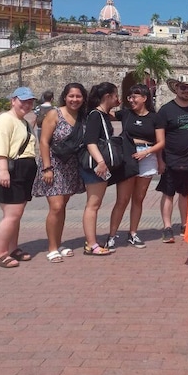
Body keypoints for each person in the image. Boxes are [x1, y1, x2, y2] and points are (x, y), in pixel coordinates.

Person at [32, 83, 87, 263]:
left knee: (62, 206)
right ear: (65, 97)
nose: (74, 100)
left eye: (78, 96)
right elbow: (44, 142)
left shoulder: (83, 116)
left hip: (71, 166)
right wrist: (47, 168)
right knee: (55, 207)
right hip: (54, 165)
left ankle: (58, 242)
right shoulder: (54, 114)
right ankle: (52, 248)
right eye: (71, 96)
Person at [0, 86, 39, 268]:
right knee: (12, 214)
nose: (27, 104)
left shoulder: (23, 122)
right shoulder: (4, 120)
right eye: (23, 101)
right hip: (10, 170)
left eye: (30, 101)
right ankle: (1, 253)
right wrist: (3, 171)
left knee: (16, 214)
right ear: (13, 100)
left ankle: (13, 248)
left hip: (23, 170)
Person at [105, 84, 159, 251]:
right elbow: (105, 112)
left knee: (139, 198)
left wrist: (149, 153)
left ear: (145, 98)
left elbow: (160, 141)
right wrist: (114, 102)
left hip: (148, 156)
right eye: (129, 97)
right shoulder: (126, 114)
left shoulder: (155, 118)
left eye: (135, 96)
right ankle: (112, 235)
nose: (132, 100)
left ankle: (133, 233)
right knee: (122, 199)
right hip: (128, 157)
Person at [156, 78, 188, 243]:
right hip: (171, 159)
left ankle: (185, 224)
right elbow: (159, 139)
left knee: (187, 193)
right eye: (183, 88)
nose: (186, 91)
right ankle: (167, 227)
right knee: (168, 194)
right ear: (176, 88)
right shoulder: (166, 110)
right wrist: (160, 161)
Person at [80, 82, 121, 256]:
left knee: (94, 204)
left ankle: (91, 242)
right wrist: (101, 162)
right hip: (96, 166)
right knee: (93, 205)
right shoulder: (96, 115)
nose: (117, 99)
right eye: (115, 95)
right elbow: (90, 141)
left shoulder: (103, 115)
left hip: (99, 165)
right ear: (107, 97)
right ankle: (91, 244)